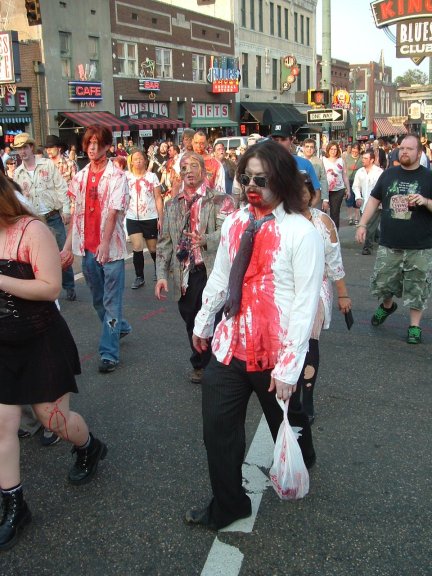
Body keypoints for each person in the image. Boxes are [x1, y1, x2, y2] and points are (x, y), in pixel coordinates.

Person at [185, 141, 324, 531]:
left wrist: (290, 366)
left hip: (275, 352)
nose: (250, 185)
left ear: (279, 179)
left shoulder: (301, 232)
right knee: (217, 430)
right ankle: (229, 504)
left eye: (260, 179)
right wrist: (204, 321)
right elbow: (221, 275)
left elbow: (304, 303)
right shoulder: (236, 223)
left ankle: (303, 449)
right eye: (245, 177)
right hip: (231, 346)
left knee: (288, 419)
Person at [0, 172, 107, 551]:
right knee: (3, 424)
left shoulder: (30, 230)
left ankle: (88, 445)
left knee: (54, 420)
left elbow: (50, 288)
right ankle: (15, 505)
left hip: (41, 339)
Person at [155, 151, 235, 384]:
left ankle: (206, 365)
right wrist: (161, 276)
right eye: (183, 168)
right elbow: (164, 243)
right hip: (184, 273)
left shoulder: (221, 200)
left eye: (193, 166)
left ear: (203, 170)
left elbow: (230, 231)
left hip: (210, 270)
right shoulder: (172, 205)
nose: (188, 171)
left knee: (211, 315)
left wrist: (206, 239)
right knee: (190, 317)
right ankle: (203, 356)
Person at [62, 125, 131, 373]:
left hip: (111, 251)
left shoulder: (117, 177)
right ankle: (119, 328)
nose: (92, 147)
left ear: (106, 146)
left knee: (111, 302)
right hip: (88, 250)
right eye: (89, 143)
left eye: (97, 143)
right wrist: (67, 246)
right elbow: (75, 214)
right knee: (98, 301)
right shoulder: (79, 177)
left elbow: (113, 212)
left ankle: (109, 353)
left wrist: (104, 242)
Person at [355, 134, 432, 344]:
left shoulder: (428, 177)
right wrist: (362, 224)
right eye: (402, 148)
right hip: (390, 243)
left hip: (420, 246)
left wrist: (425, 201)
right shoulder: (389, 175)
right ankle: (388, 306)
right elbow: (373, 200)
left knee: (418, 287)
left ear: (419, 153)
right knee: (384, 284)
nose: (404, 152)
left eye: (410, 149)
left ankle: (414, 326)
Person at [298, 174, 351, 422]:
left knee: (309, 342)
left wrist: (343, 294)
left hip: (315, 290)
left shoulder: (323, 223)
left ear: (313, 194)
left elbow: (334, 262)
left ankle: (306, 398)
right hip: (282, 290)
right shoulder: (275, 220)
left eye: (304, 191)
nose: (299, 195)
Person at [12, 133, 76, 301]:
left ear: (31, 147)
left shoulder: (47, 165)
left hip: (52, 215)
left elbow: (61, 187)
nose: (22, 152)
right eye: (19, 149)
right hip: (34, 220)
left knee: (63, 251)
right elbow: (17, 198)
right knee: (37, 255)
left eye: (25, 147)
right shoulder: (18, 173)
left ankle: (69, 285)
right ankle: (42, 286)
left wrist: (66, 209)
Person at [126, 148, 163, 288]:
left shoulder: (152, 177)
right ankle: (139, 276)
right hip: (132, 217)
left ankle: (158, 269)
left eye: (140, 159)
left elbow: (158, 198)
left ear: (145, 160)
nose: (138, 161)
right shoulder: (127, 177)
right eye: (135, 159)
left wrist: (160, 218)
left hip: (150, 217)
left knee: (153, 248)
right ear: (131, 162)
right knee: (137, 247)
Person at [270, 124, 322, 206]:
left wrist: (305, 213)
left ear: (291, 140)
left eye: (283, 139)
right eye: (276, 140)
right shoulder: (263, 164)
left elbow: (316, 193)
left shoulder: (305, 164)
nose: (279, 143)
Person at [352, 150, 383, 255]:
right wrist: (358, 197)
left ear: (372, 160)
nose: (363, 160)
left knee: (368, 225)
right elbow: (356, 186)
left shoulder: (379, 172)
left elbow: (382, 189)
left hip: (376, 204)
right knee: (371, 225)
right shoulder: (360, 172)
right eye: (363, 158)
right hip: (363, 204)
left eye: (365, 158)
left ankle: (367, 247)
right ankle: (380, 238)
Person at [322, 141, 350, 230]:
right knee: (323, 212)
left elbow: (345, 175)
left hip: (338, 190)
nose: (333, 151)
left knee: (335, 212)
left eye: (335, 149)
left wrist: (348, 189)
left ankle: (335, 234)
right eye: (331, 149)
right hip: (325, 189)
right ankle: (324, 234)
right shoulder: (323, 160)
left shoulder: (341, 160)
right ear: (328, 149)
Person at [302, 138, 329, 211]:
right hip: (300, 196)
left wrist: (325, 199)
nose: (309, 149)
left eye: (311, 147)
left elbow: (323, 180)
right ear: (303, 148)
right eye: (307, 146)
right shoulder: (297, 160)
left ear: (314, 149)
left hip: (315, 196)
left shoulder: (319, 162)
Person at [344, 142, 362, 225]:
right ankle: (350, 218)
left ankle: (356, 218)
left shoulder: (362, 158)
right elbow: (344, 171)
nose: (354, 151)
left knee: (357, 201)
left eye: (356, 149)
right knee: (349, 201)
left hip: (358, 183)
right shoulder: (347, 158)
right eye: (353, 149)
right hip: (349, 182)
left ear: (359, 150)